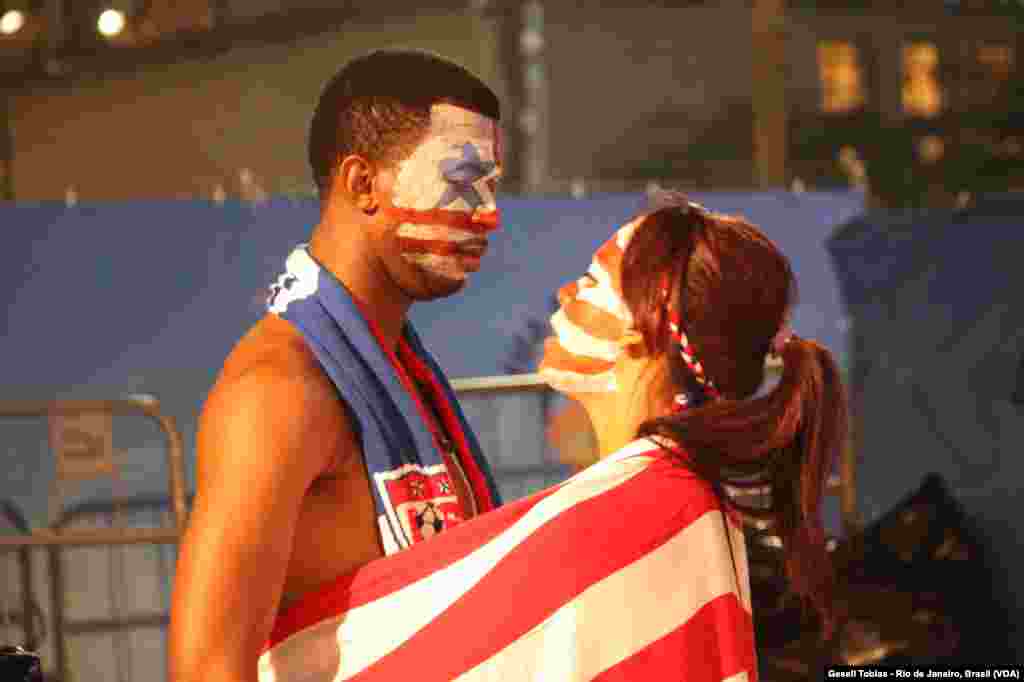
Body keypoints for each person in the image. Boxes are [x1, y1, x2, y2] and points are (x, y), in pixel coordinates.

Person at [255, 194, 848, 681]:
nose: (565, 296)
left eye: (591, 281)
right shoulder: (672, 496)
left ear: (641, 328)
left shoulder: (643, 511)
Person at [169, 49, 505, 682]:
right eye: (463, 181)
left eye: (493, 186)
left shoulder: (401, 373)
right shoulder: (281, 388)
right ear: (361, 184)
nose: (489, 214)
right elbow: (208, 669)